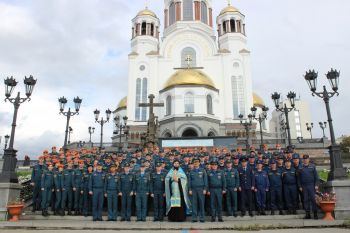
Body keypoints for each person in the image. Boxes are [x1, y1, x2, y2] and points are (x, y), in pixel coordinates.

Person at [297, 154, 319, 219]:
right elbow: (298, 178)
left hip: (311, 185)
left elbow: (316, 177)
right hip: (304, 186)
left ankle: (315, 214)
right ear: (302, 160)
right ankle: (307, 214)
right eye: (304, 159)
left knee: (313, 200)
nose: (305, 160)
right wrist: (300, 186)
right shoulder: (300, 167)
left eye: (306, 159)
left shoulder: (312, 166)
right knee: (305, 200)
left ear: (308, 159)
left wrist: (316, 185)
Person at [188, 157, 208, 223]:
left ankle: (202, 218)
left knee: (201, 204)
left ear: (199, 163)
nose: (196, 163)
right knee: (194, 204)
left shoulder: (203, 170)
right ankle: (194, 218)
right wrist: (190, 189)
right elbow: (189, 181)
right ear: (193, 163)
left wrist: (205, 189)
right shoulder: (191, 171)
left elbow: (205, 181)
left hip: (201, 189)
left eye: (197, 162)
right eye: (194, 162)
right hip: (193, 189)